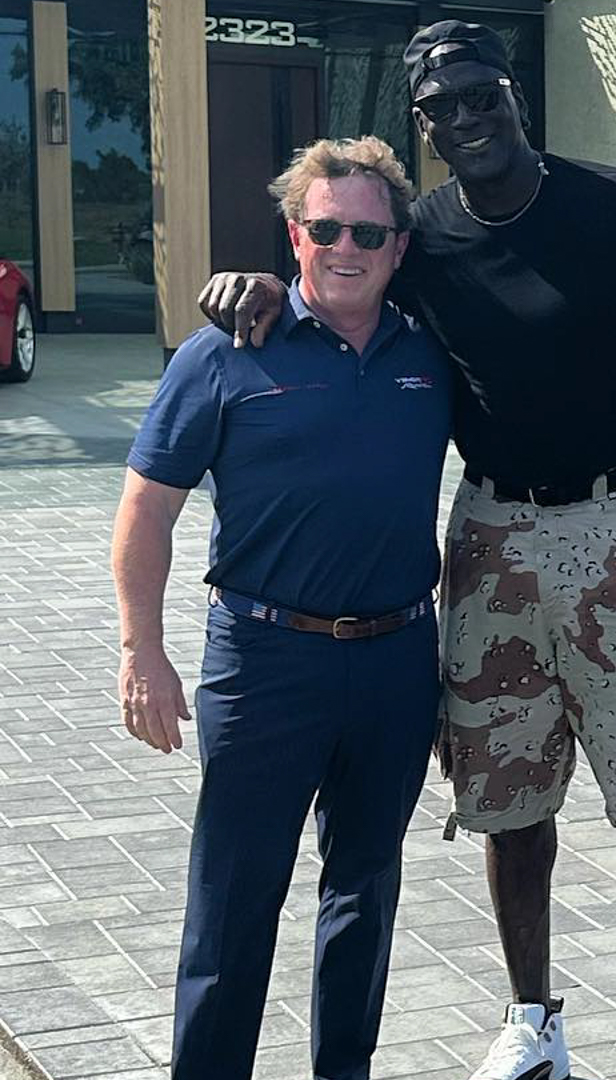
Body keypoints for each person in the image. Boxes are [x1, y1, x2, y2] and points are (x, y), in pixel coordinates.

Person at [199, 20, 616, 1080]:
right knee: (508, 795)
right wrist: (270, 289)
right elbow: (344, 285)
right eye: (441, 106)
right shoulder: (422, 238)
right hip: (493, 537)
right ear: (424, 125)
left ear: (515, 96)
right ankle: (533, 1020)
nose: (466, 117)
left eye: (481, 95)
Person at [115, 137, 449, 1080]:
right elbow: (146, 507)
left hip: (395, 660)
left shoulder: (432, 353)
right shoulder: (224, 353)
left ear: (398, 248)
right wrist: (142, 650)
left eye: (369, 234)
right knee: (234, 900)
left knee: (365, 893)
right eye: (326, 229)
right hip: (264, 664)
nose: (347, 249)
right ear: (294, 235)